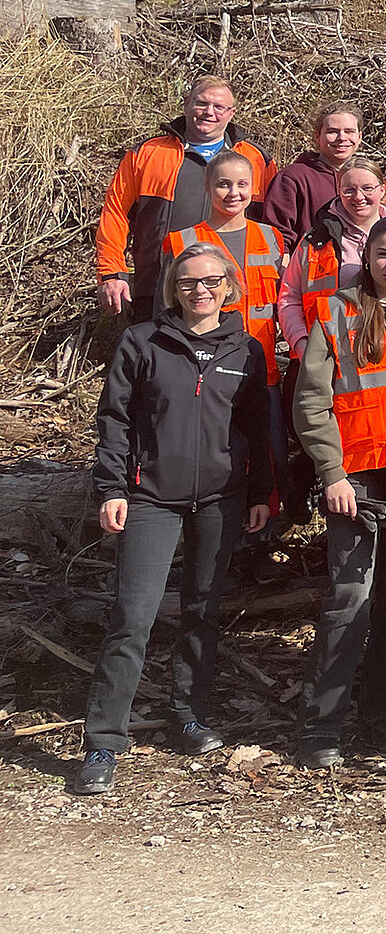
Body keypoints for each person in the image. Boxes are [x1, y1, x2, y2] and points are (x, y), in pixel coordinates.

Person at [70, 246, 273, 796]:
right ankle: (104, 740)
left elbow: (259, 428)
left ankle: (189, 715)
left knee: (203, 610)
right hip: (150, 498)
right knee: (132, 616)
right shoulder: (143, 341)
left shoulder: (247, 350)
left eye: (211, 281)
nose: (200, 290)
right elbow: (114, 420)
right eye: (187, 282)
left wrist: (261, 492)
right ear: (172, 290)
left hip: (220, 499)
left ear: (228, 287)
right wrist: (112, 487)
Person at [291, 217, 386, 767]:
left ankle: (383, 718)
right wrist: (332, 474)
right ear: (366, 257)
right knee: (350, 598)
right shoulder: (335, 310)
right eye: (383, 255)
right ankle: (321, 726)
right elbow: (310, 402)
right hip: (356, 477)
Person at [97, 76, 275, 318]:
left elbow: (272, 226)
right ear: (186, 104)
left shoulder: (255, 160)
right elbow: (115, 213)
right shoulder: (148, 154)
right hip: (157, 290)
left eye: (219, 107)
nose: (208, 112)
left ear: (231, 113)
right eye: (201, 103)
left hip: (233, 293)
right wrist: (112, 273)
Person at [160, 151, 289, 398]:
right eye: (223, 184)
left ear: (254, 188)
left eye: (242, 184)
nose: (233, 193)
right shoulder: (182, 241)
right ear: (207, 188)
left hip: (264, 373)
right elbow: (165, 312)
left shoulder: (272, 238)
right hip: (206, 374)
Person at [278, 157, 386, 364]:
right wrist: (302, 343)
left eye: (367, 188)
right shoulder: (315, 240)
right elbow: (289, 298)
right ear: (339, 191)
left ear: (382, 190)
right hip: (325, 355)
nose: (359, 197)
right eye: (349, 190)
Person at [261, 102, 366, 244]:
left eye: (349, 131)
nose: (342, 138)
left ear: (359, 136)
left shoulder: (367, 177)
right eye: (332, 131)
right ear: (317, 136)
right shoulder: (292, 178)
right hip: (308, 264)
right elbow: (277, 234)